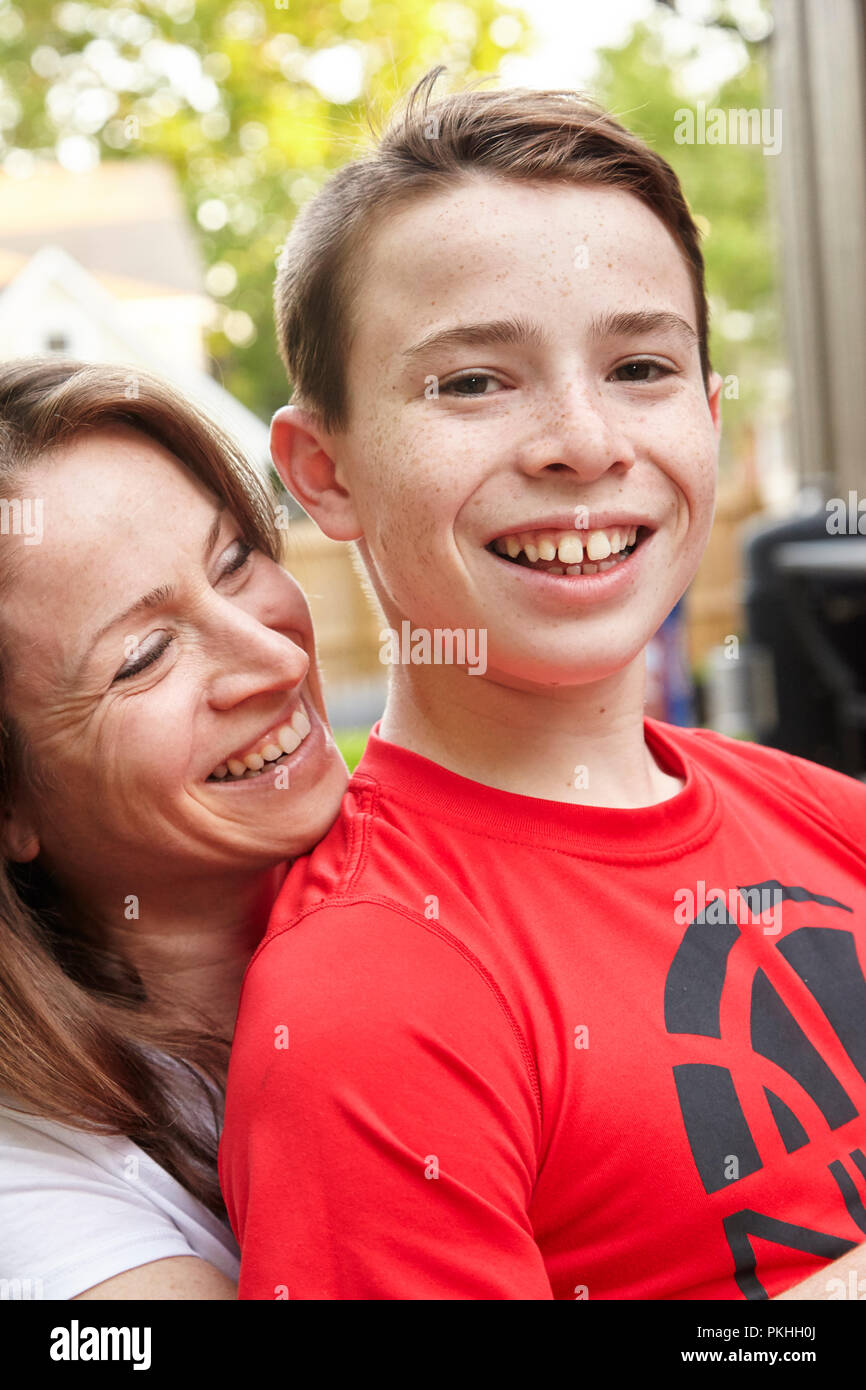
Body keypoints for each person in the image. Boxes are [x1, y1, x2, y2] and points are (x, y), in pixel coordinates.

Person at [220, 68, 866, 1301]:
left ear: (710, 418)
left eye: (640, 367)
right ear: (324, 471)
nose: (583, 439)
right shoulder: (367, 992)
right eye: (471, 381)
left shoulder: (819, 813)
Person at [0, 358, 348, 1300]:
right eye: (144, 657)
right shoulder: (35, 1198)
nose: (273, 657)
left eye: (234, 561)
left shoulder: (452, 881)